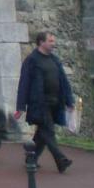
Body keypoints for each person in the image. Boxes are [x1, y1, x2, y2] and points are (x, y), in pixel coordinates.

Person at [14, 30, 75, 173]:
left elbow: (63, 81)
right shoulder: (31, 60)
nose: (54, 43)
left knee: (42, 133)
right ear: (42, 42)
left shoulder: (54, 60)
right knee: (49, 131)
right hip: (39, 104)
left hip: (55, 103)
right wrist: (20, 106)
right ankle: (61, 161)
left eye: (53, 41)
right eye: (51, 41)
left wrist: (69, 101)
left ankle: (31, 158)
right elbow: (24, 84)